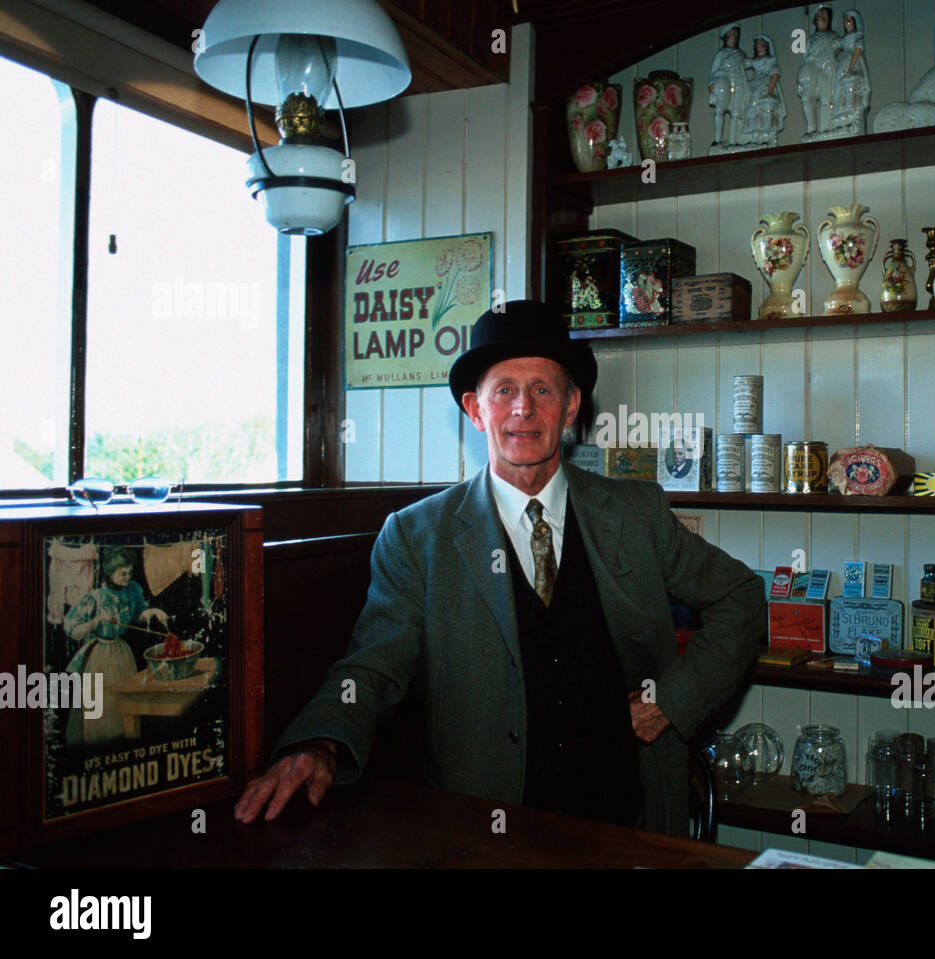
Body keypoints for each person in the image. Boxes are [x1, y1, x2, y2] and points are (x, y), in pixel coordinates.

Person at [235, 300, 766, 836]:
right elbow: (373, 668)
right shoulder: (417, 536)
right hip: (482, 829)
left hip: (627, 822)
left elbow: (741, 597)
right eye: (504, 390)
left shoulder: (634, 514)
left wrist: (669, 702)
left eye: (543, 390)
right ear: (474, 409)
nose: (524, 410)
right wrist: (320, 742)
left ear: (572, 405)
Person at [63, 547, 169, 744]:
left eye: (129, 572)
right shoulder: (95, 596)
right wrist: (97, 621)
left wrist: (153, 611)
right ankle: (100, 744)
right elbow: (72, 629)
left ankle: (123, 744)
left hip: (122, 653)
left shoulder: (133, 590)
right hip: (99, 657)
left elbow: (139, 614)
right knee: (102, 702)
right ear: (110, 572)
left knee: (125, 702)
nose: (127, 577)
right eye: (123, 573)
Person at [797, 4, 838, 138]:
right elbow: (804, 58)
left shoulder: (833, 36)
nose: (821, 18)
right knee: (807, 97)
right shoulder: (810, 39)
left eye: (824, 15)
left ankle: (825, 128)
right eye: (819, 15)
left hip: (827, 68)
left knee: (826, 99)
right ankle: (811, 128)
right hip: (811, 68)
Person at [708, 23, 751, 149]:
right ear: (726, 37)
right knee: (720, 110)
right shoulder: (721, 54)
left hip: (738, 82)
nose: (733, 37)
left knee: (736, 112)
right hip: (724, 80)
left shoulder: (741, 54)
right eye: (731, 34)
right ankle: (717, 139)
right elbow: (713, 70)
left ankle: (733, 140)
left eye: (735, 35)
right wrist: (711, 82)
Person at [742, 34, 787, 148]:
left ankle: (770, 137)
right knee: (753, 110)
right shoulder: (752, 61)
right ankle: (755, 137)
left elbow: (775, 73)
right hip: (754, 85)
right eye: (756, 44)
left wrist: (769, 91)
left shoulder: (770, 60)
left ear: (766, 46)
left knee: (766, 111)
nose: (759, 46)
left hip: (765, 85)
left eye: (761, 44)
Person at [831, 10, 871, 134]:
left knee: (851, 88)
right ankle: (841, 115)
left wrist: (850, 67)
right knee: (839, 89)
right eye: (845, 20)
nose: (846, 22)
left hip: (851, 64)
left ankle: (854, 116)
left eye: (849, 19)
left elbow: (858, 49)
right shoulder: (843, 39)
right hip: (842, 65)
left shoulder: (857, 35)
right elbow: (834, 45)